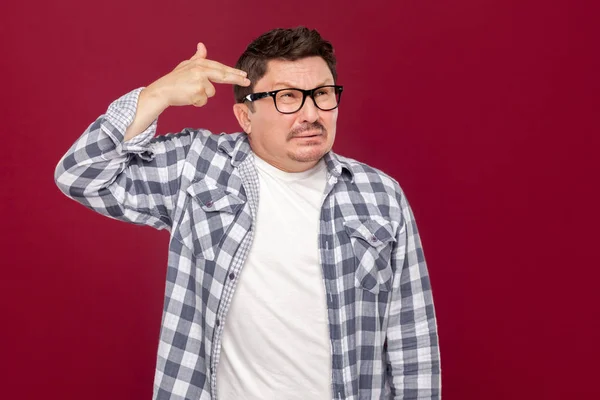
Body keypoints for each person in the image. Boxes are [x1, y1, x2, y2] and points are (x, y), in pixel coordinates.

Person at [55, 26, 440, 400]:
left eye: (322, 93)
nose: (310, 113)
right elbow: (80, 175)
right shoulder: (197, 167)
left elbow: (412, 337)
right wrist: (156, 96)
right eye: (288, 97)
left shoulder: (379, 194)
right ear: (245, 117)